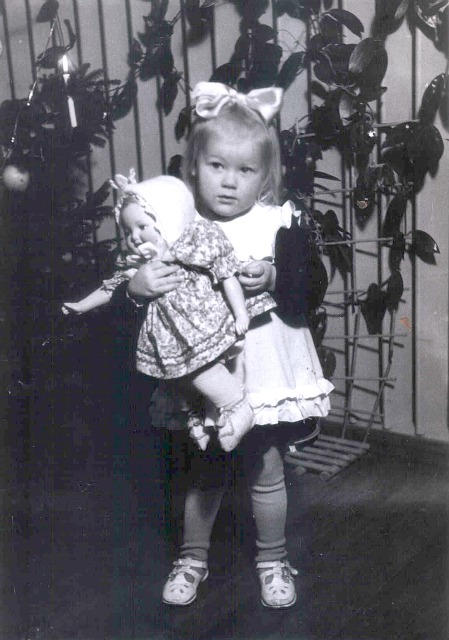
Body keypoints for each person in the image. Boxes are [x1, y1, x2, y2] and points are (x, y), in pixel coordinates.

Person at [127, 82, 334, 609]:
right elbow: (137, 284)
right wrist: (139, 286)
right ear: (192, 167)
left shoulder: (277, 222)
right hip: (207, 372)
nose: (229, 180)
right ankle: (192, 557)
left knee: (266, 466)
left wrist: (275, 275)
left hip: (262, 362)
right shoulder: (177, 225)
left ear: (265, 176)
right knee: (208, 466)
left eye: (245, 170)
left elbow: (313, 283)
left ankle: (273, 559)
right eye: (217, 165)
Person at [62, 173, 278, 452]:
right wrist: (81, 305)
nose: (134, 237)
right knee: (178, 376)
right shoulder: (139, 264)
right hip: (171, 334)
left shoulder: (191, 245)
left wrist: (240, 313)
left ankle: (237, 406)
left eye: (142, 226)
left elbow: (227, 275)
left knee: (200, 369)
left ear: (168, 219)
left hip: (200, 321)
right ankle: (198, 417)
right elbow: (111, 287)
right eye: (127, 231)